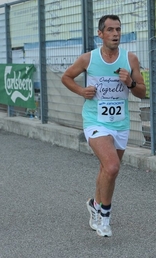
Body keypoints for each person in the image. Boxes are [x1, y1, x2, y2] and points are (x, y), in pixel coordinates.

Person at [62, 14, 146, 237]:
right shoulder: (88, 59)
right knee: (111, 166)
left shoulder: (130, 59)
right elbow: (66, 77)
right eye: (110, 30)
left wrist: (130, 82)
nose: (115, 34)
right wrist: (81, 91)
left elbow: (142, 92)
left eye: (118, 29)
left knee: (107, 170)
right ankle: (104, 218)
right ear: (100, 34)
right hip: (95, 121)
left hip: (120, 124)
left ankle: (94, 203)